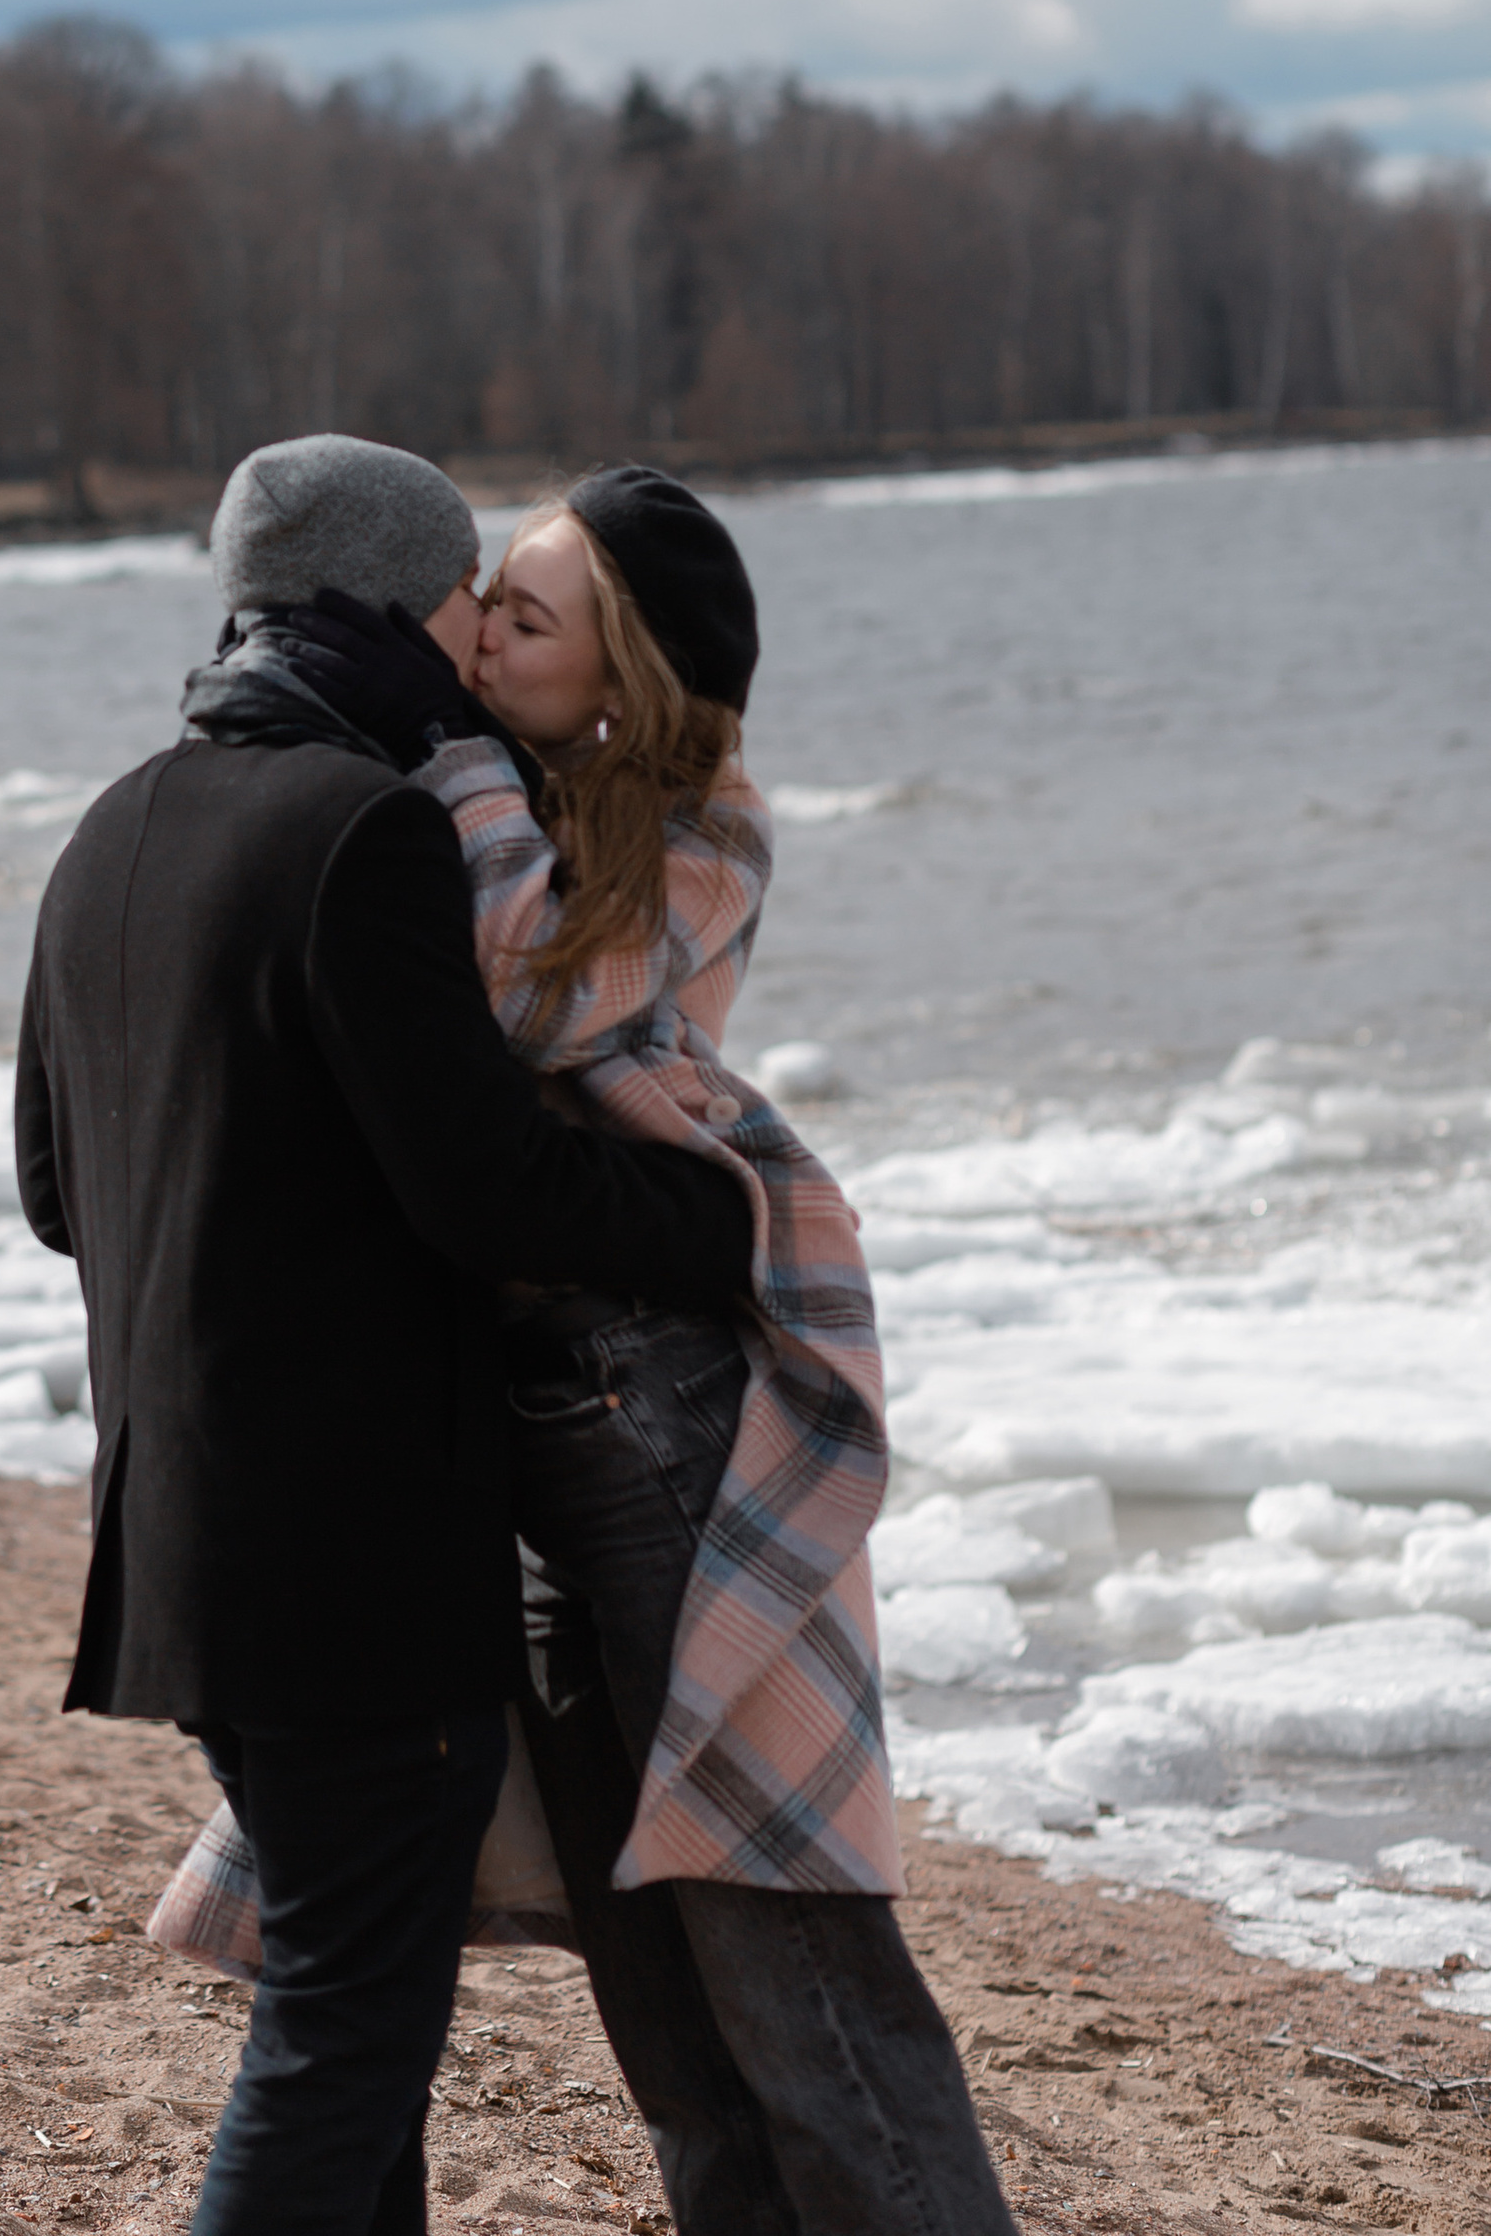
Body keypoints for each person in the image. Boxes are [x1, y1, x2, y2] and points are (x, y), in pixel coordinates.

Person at [15, 434, 756, 2236]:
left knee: (341, 2018)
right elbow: (489, 1189)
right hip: (348, 1550)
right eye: (462, 601)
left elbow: (56, 1190)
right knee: (347, 2030)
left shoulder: (110, 827)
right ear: (394, 600)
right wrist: (722, 1217)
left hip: (165, 1534)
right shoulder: (364, 831)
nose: (473, 645)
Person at [286, 467, 1018, 2236]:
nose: (474, 635)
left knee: (799, 1973)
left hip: (667, 1415)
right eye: (480, 601)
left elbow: (542, 991)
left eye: (520, 616)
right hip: (527, 1440)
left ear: (620, 673)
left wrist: (451, 764)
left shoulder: (700, 820)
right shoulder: (490, 790)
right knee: (666, 2017)